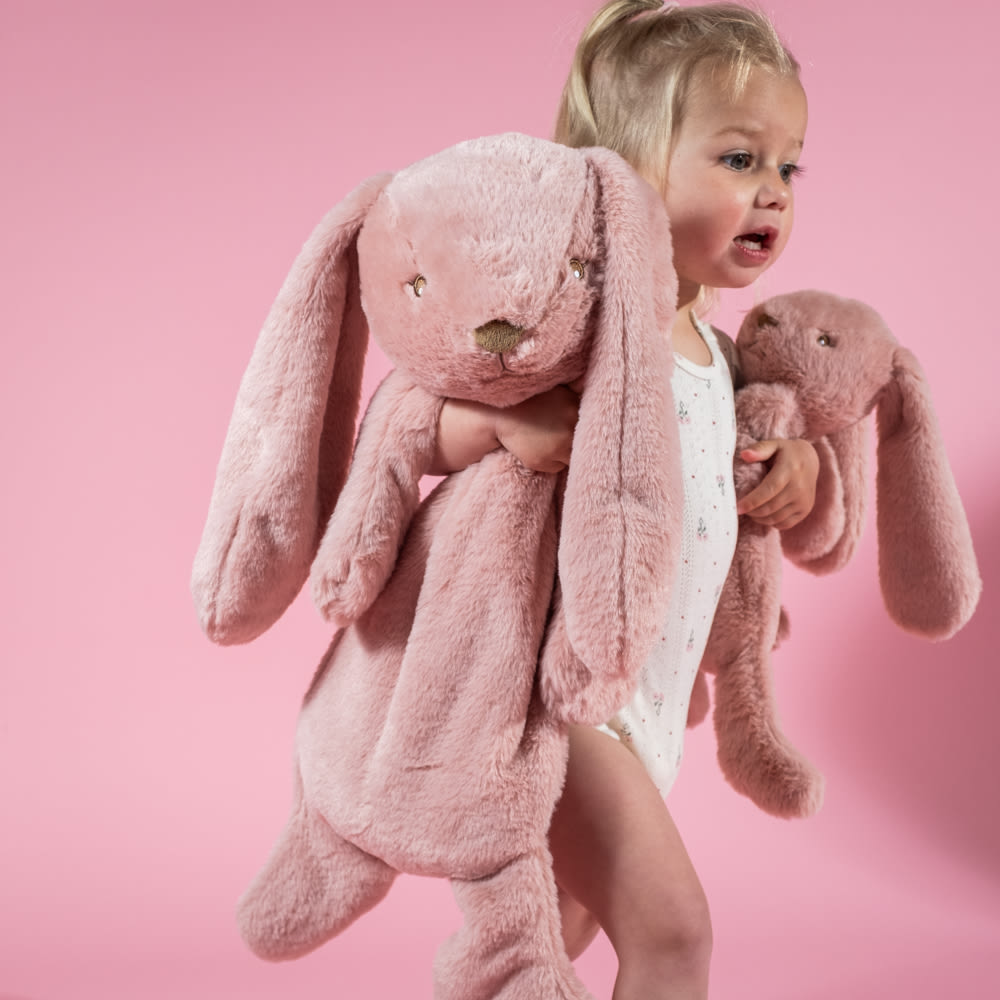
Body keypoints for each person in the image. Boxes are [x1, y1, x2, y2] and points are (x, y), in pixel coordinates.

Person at [432, 2, 816, 996]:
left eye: (788, 167)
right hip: (553, 703)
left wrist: (795, 471)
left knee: (538, 957)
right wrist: (501, 426)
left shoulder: (718, 358)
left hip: (646, 708)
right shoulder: (578, 328)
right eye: (739, 159)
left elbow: (738, 495)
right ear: (630, 172)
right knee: (673, 935)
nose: (772, 191)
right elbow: (417, 423)